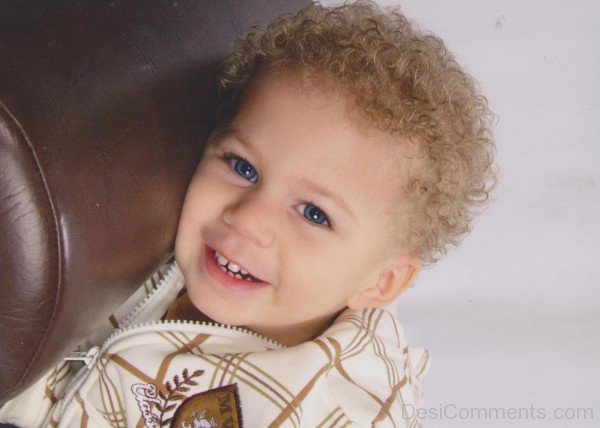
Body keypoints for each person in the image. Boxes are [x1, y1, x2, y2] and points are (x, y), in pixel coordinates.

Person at [0, 1, 496, 426]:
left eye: (314, 214)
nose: (249, 219)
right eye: (243, 167)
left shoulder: (324, 410)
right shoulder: (158, 258)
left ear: (382, 282)